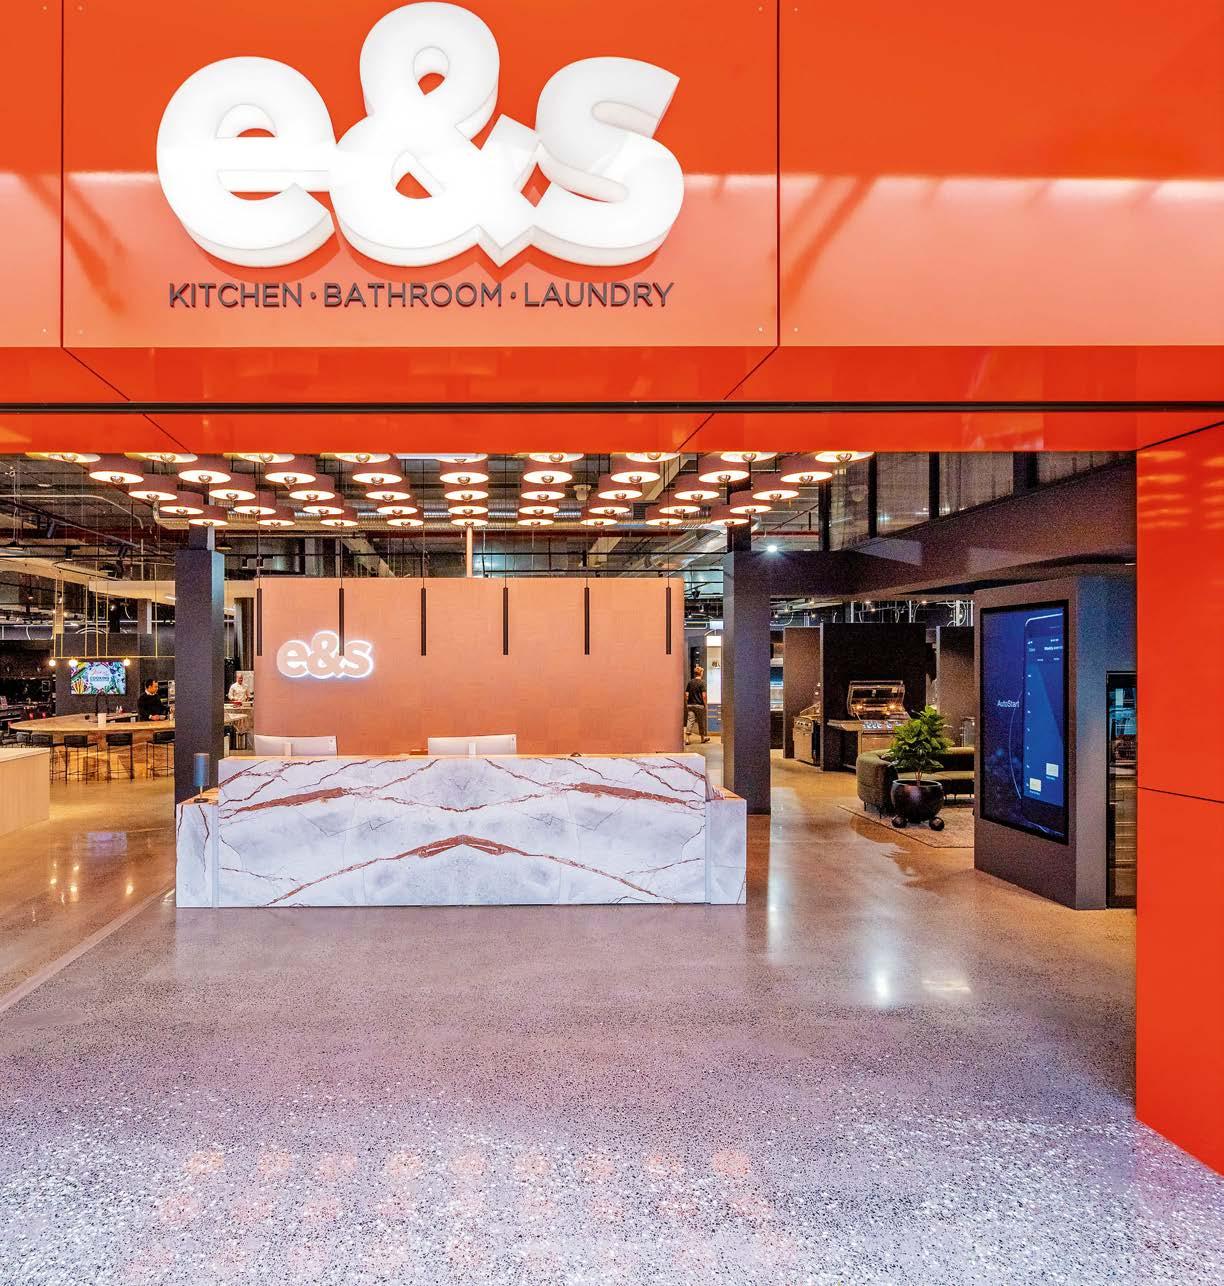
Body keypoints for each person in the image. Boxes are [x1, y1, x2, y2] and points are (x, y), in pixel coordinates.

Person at [686, 664, 710, 743]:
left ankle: (687, 739)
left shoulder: (690, 682)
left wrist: (687, 703)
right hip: (699, 705)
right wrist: (705, 705)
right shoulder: (702, 682)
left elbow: (686, 694)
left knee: (690, 721)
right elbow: (704, 695)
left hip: (690, 705)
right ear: (701, 673)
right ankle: (702, 738)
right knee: (701, 721)